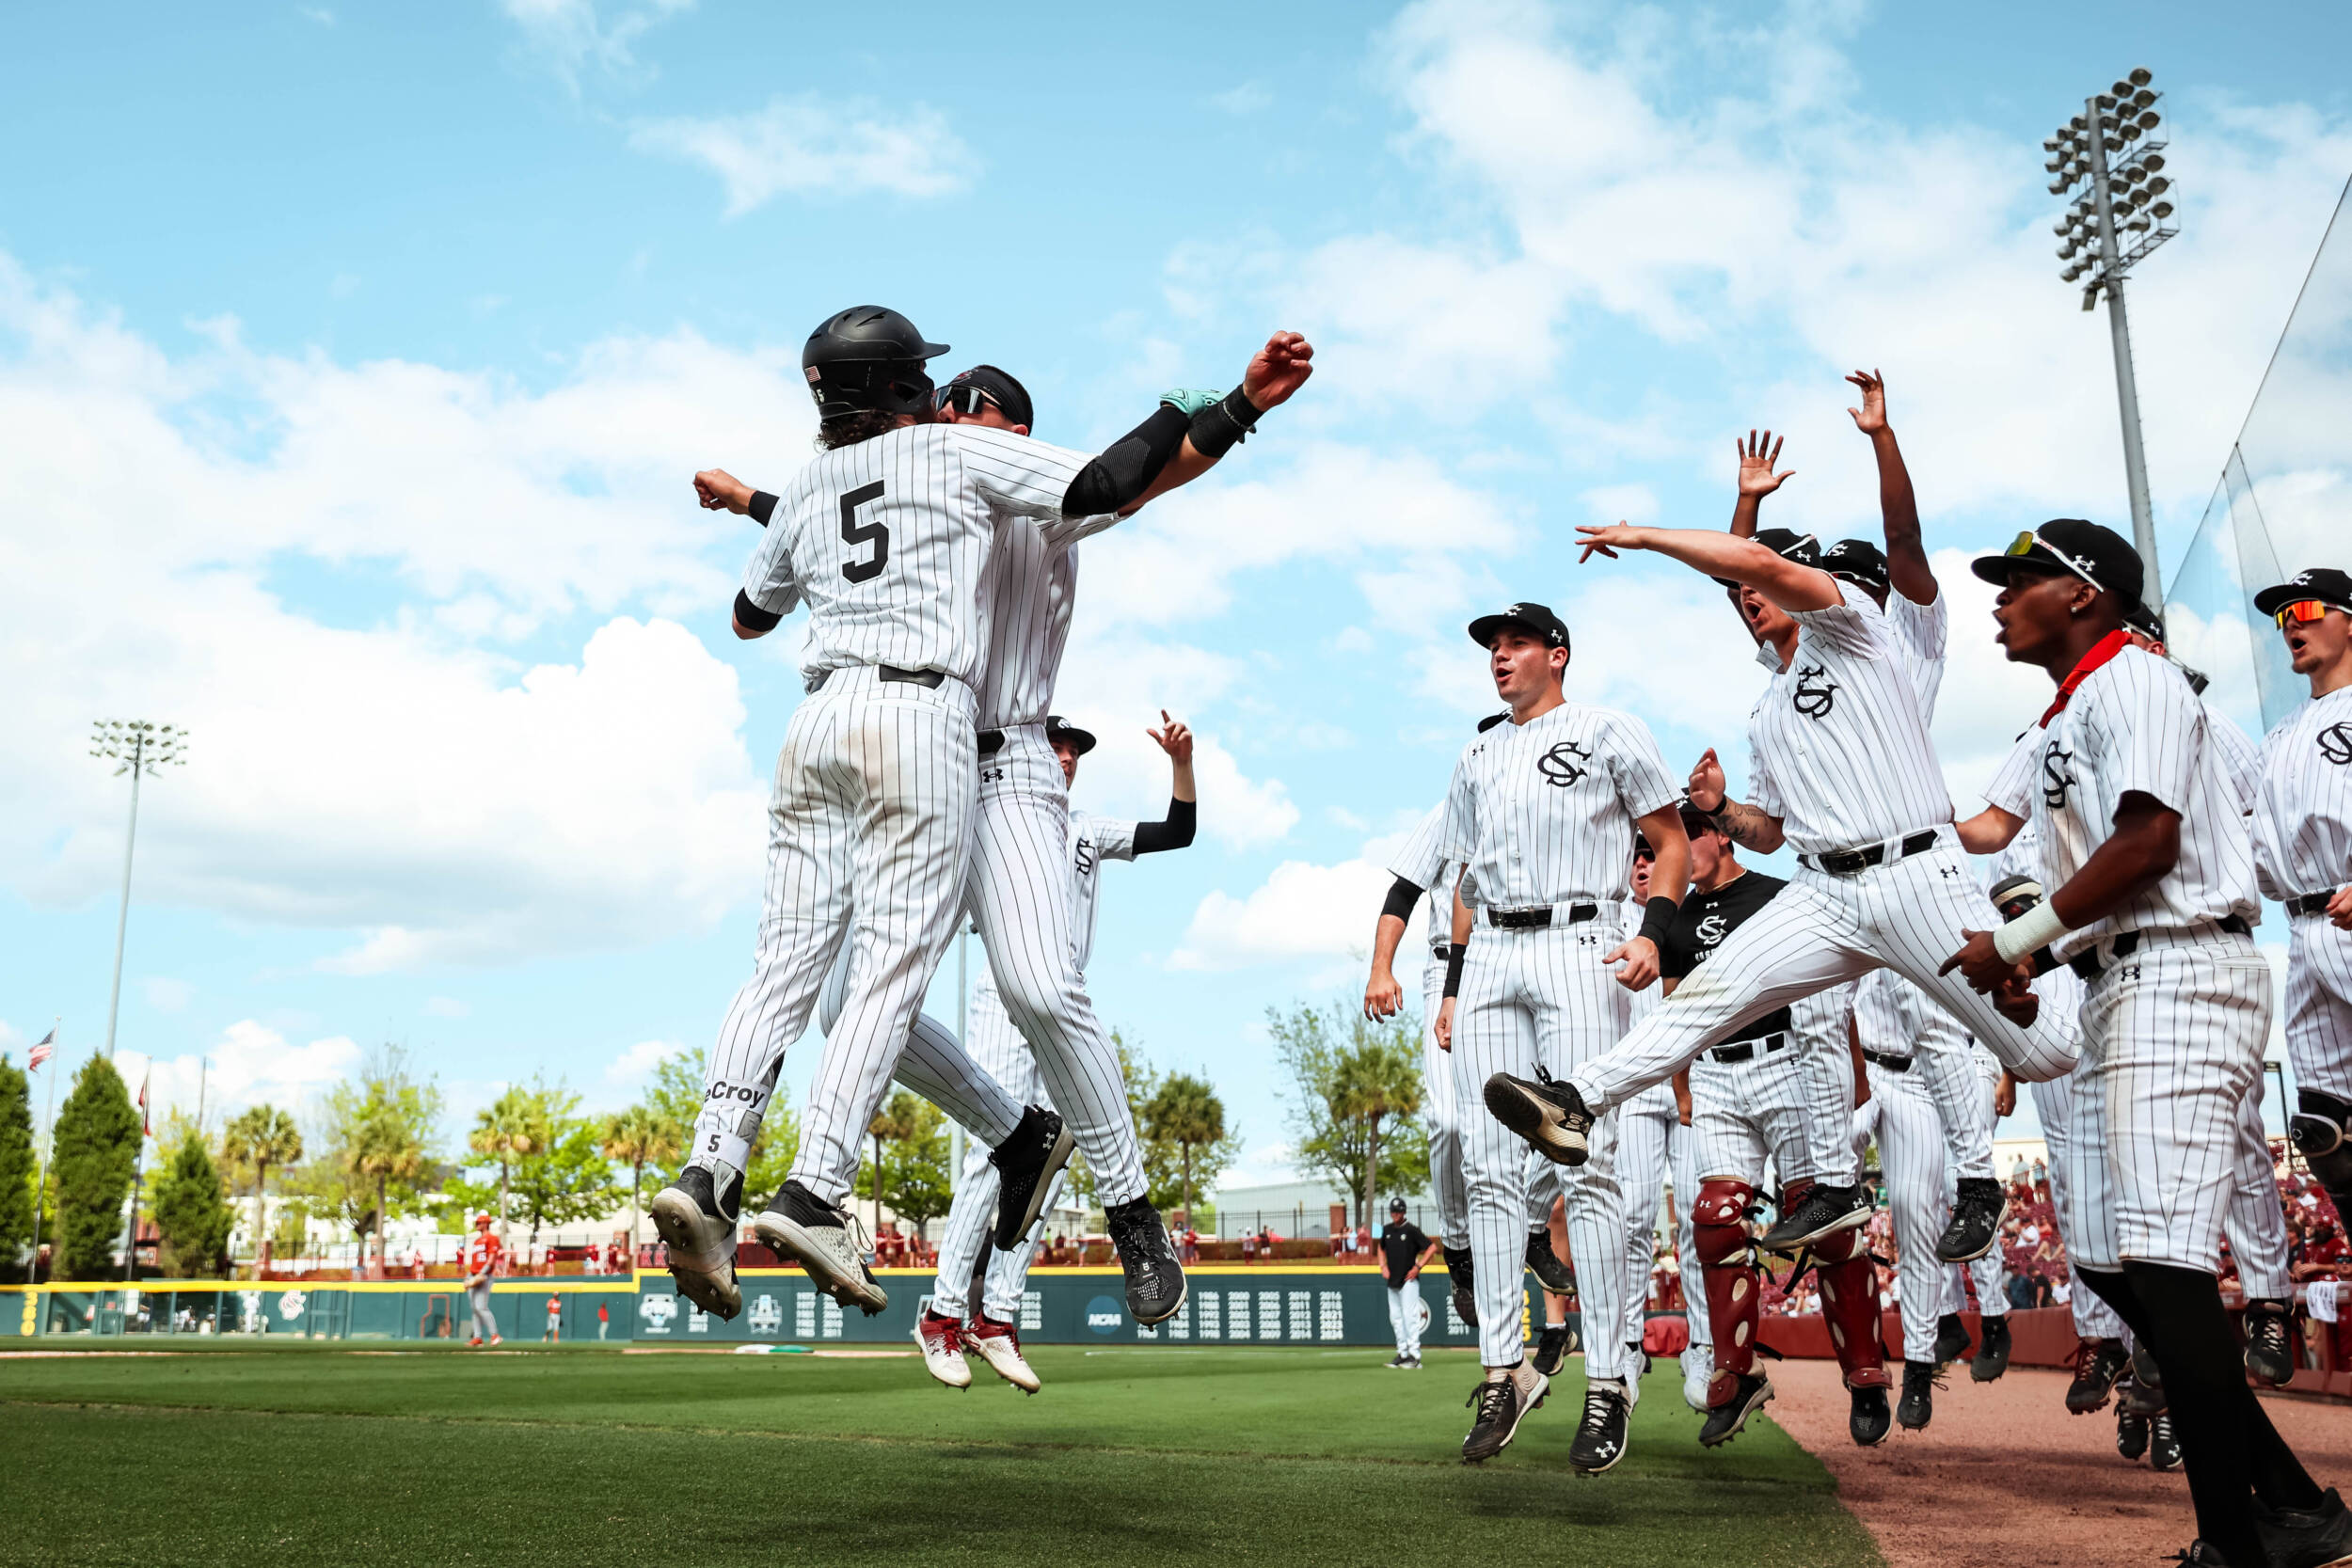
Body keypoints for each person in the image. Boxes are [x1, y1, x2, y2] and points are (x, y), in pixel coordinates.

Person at [659, 325, 1309, 1324]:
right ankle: (1016, 1134)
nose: (957, 412)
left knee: (1038, 983)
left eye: (979, 406)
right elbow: (833, 517)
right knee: (843, 1001)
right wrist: (750, 496)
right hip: (917, 745)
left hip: (1004, 766)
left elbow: (1147, 472)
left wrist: (1239, 402)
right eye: (947, 397)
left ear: (1020, 438)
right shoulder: (929, 472)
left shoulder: (1036, 499)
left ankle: (1132, 1209)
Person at [1520, 422, 2078, 1251]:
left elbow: (1785, 561)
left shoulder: (1857, 628)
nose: (1749, 598)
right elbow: (1772, 832)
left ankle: (2074, 962)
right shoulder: (1770, 707)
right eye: (1742, 595)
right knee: (1709, 993)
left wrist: (1647, 535)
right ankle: (1576, 1098)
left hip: (1916, 875)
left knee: (2045, 1053)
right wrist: (1722, 808)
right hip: (1823, 893)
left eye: (1761, 584)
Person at [1947, 518, 2348, 1568]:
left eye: (2020, 578)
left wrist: (2016, 942)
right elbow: (2095, 870)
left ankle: (2234, 1540)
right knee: (2111, 1261)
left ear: (2083, 593)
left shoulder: (2136, 679)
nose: (2000, 596)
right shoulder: (2071, 709)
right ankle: (2293, 1503)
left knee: (2165, 1266)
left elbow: (2150, 841)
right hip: (2122, 976)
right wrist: (2040, 952)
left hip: (2182, 967)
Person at [1434, 600, 1693, 1473]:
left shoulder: (1608, 727)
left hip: (1582, 939)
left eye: (1516, 643)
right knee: (1485, 1164)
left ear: (1559, 654)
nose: (1499, 656)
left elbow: (1670, 841)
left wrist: (1655, 932)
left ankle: (1610, 1379)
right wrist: (1452, 983)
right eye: (1492, 646)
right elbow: (1460, 877)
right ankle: (1503, 1369)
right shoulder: (1475, 755)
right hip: (1494, 949)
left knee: (1589, 1159)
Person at [913, 702, 1201, 1395]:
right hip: (1004, 995)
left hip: (1063, 1002)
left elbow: (1178, 831)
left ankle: (997, 1316)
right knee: (997, 1155)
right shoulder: (990, 821)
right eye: (1055, 744)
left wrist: (1182, 763)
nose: (1067, 756)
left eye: (1074, 749)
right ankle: (943, 1314)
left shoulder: (1085, 828)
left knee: (1055, 1161)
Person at [1660, 806, 1889, 1449]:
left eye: (1692, 833)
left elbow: (1825, 989)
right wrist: (1681, 1084)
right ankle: (1735, 1375)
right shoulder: (1675, 919)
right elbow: (1674, 1009)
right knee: (1714, 1218)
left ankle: (1865, 1373)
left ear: (1721, 835)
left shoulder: (1779, 895)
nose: (1683, 847)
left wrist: (1854, 1072)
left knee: (1824, 1217)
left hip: (1789, 1062)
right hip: (1716, 1070)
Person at [2253, 566, 2352, 1391]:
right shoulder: (2282, 734)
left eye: (2309, 608)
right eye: (2283, 612)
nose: (2292, 621)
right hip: (2302, 925)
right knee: (2321, 1124)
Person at [1610, 834, 1713, 1412]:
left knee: (1698, 1222)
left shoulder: (1697, 913)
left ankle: (1702, 1346)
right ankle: (1628, 1346)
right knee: (1632, 1218)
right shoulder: (1611, 919)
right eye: (1637, 858)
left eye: (1653, 856)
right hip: (1637, 1087)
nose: (1644, 866)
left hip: (1696, 1082)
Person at [1377, 1197, 1438, 1369]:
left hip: (1408, 1280)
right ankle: (1402, 1353)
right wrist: (1382, 1266)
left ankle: (1414, 1355)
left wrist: (1418, 1266)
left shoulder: (1411, 1230)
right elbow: (1380, 1248)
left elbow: (1432, 1247)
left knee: (1410, 1317)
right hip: (1393, 1280)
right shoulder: (1387, 1230)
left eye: (1398, 1211)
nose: (1395, 1214)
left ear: (1404, 1212)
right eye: (1393, 1211)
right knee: (1396, 1318)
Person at [462, 1212, 502, 1348]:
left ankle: (495, 1335)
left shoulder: (492, 1238)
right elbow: (475, 1261)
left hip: (484, 1276)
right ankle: (477, 1337)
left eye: (479, 1223)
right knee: (474, 1308)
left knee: (481, 1307)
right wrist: (469, 1276)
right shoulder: (476, 1241)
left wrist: (481, 1273)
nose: (477, 1225)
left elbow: (491, 1259)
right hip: (473, 1274)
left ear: (486, 1224)